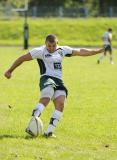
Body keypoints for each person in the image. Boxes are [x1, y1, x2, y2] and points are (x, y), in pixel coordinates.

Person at [4, 34, 105, 138]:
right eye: (49, 46)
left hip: (59, 80)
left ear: (57, 43)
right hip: (46, 78)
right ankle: (33, 121)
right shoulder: (40, 51)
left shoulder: (62, 50)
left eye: (53, 46)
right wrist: (10, 71)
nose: (51, 48)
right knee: (47, 96)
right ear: (45, 44)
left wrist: (97, 51)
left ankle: (49, 132)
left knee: (61, 104)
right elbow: (22, 58)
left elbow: (80, 51)